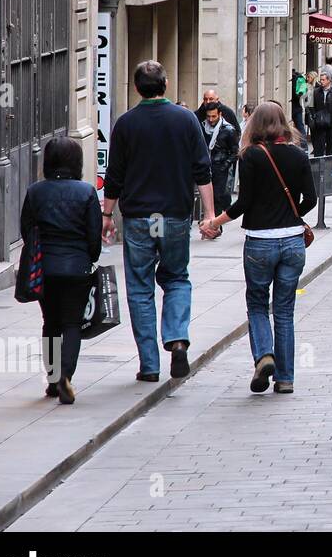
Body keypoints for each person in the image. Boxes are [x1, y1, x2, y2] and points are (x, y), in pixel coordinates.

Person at [102, 60, 214, 382]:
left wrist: (107, 214)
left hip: (138, 218)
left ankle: (149, 365)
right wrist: (209, 215)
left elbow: (115, 176)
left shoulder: (126, 124)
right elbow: (202, 170)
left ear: (138, 88)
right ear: (165, 85)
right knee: (177, 278)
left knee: (139, 289)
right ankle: (177, 337)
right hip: (175, 216)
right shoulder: (186, 121)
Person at [202, 102, 316, 395]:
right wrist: (293, 215)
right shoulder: (298, 155)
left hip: (260, 242)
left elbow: (243, 203)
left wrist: (215, 221)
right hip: (292, 242)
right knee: (284, 310)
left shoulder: (251, 156)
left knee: (256, 302)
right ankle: (286, 378)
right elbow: (311, 199)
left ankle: (265, 355)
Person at [20, 136, 102, 405]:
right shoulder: (86, 192)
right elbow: (93, 235)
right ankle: (66, 375)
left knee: (50, 322)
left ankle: (54, 379)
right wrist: (90, 257)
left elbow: (26, 230)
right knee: (72, 323)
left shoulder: (36, 191)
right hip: (76, 266)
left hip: (45, 269)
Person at [201, 101, 240, 215]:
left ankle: (215, 224)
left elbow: (235, 152)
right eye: (208, 116)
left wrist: (225, 166)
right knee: (206, 196)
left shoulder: (228, 130)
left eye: (214, 116)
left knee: (217, 197)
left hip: (220, 168)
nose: (211, 119)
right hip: (205, 166)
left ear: (220, 114)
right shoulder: (203, 127)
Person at [306, 72, 332, 158]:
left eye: (323, 80)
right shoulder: (316, 92)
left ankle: (329, 166)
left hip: (331, 124)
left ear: (329, 80)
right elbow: (310, 105)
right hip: (319, 123)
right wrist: (314, 116)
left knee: (330, 146)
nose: (321, 81)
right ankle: (319, 166)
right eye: (320, 80)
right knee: (319, 147)